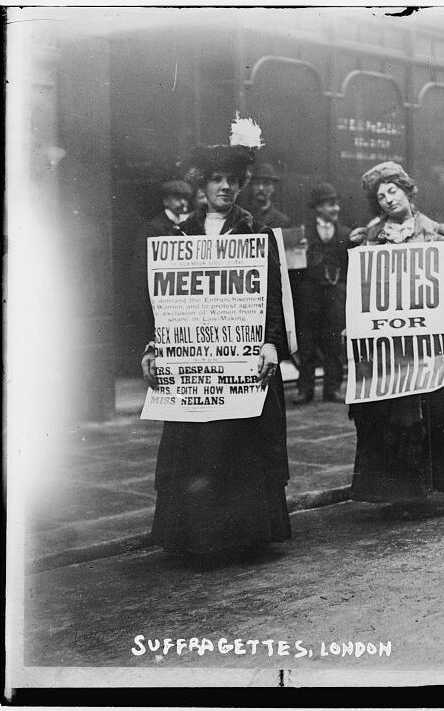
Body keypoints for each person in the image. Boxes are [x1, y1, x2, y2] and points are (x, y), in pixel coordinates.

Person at [141, 120, 292, 564]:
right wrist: (152, 346)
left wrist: (271, 344)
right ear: (202, 185)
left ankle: (242, 537)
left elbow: (273, 298)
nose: (225, 187)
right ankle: (195, 535)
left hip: (241, 361)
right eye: (217, 179)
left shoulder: (256, 234)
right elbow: (160, 302)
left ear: (242, 185)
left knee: (239, 445)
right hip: (194, 362)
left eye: (233, 180)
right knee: (197, 445)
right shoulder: (177, 236)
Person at [347, 161, 444, 512]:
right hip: (386, 345)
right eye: (381, 197)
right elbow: (361, 290)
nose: (388, 200)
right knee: (390, 414)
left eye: (393, 191)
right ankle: (398, 491)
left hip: (426, 341)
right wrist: (355, 322)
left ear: (407, 191)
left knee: (429, 412)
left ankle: (427, 486)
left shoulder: (438, 237)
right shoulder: (370, 238)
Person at [292, 183, 351, 404]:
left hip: (336, 294)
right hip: (310, 294)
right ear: (317, 207)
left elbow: (349, 266)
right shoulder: (303, 234)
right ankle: (305, 388)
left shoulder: (345, 233)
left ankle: (332, 388)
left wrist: (342, 288)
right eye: (330, 204)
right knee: (306, 342)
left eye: (336, 204)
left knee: (334, 343)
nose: (335, 208)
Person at [133, 179, 192, 355]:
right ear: (166, 201)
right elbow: (140, 271)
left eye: (185, 198)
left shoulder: (189, 227)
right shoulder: (153, 229)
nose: (183, 203)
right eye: (177, 198)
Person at [241, 161, 292, 229]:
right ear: (252, 186)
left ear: (273, 188)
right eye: (257, 183)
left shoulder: (282, 221)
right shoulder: (241, 217)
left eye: (266, 183)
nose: (261, 188)